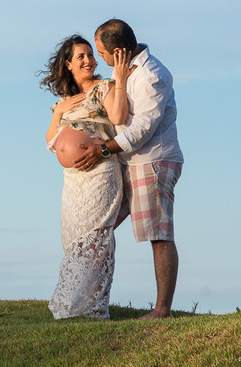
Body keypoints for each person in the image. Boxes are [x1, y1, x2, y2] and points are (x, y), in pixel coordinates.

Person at [73, 19, 183, 319]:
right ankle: (86, 301)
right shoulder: (123, 70)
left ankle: (162, 310)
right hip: (127, 163)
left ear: (118, 51)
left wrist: (103, 148)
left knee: (158, 234)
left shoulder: (152, 75)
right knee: (100, 225)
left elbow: (141, 130)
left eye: (101, 52)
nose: (99, 59)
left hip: (153, 162)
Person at [39, 34, 130, 319]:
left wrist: (121, 79)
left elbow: (117, 117)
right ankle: (76, 303)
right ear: (68, 64)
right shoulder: (64, 102)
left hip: (100, 172)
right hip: (73, 181)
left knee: (96, 236)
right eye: (81, 56)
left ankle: (90, 305)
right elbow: (50, 141)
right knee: (74, 238)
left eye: (90, 55)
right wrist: (61, 113)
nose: (88, 60)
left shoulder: (104, 87)